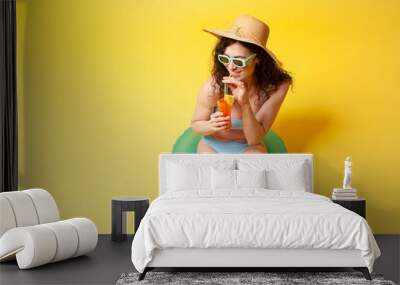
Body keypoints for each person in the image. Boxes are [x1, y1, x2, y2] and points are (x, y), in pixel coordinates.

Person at [191, 15, 293, 153]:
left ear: (258, 59)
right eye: (225, 58)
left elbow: (253, 139)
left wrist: (245, 103)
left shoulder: (276, 87)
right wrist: (211, 125)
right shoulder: (214, 86)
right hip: (212, 145)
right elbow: (196, 125)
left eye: (239, 61)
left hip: (249, 146)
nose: (231, 67)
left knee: (252, 169)